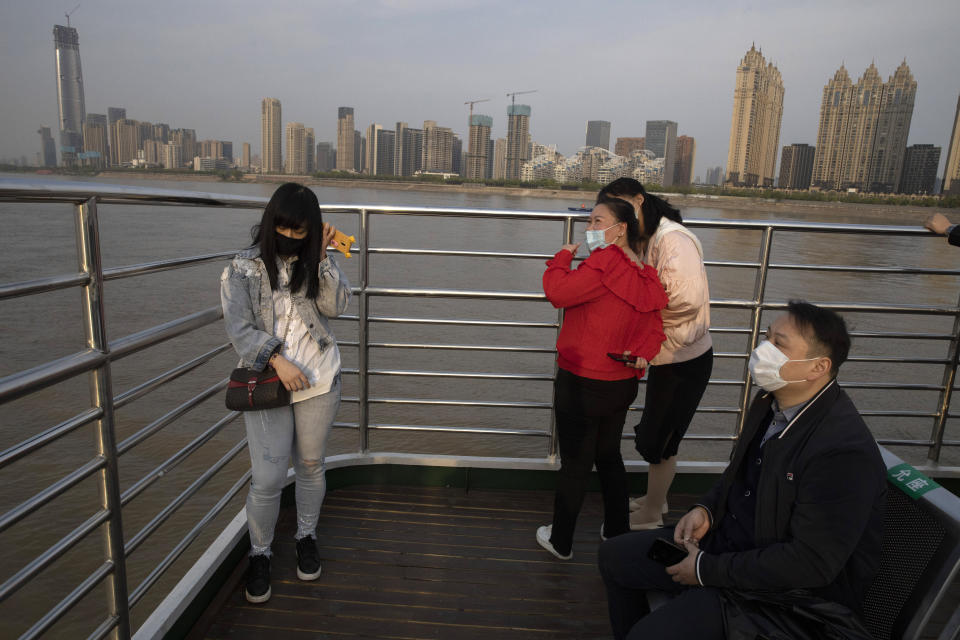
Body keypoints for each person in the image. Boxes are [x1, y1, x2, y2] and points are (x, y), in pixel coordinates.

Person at [598, 301, 886, 640]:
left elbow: (811, 563)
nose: (763, 348)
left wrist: (705, 570)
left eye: (779, 343)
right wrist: (706, 508)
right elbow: (738, 476)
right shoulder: (771, 403)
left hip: (785, 600)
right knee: (615, 557)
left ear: (817, 367)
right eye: (766, 337)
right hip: (732, 549)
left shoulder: (841, 451)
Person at [220, 182, 351, 603]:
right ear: (270, 221)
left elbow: (337, 307)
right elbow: (239, 329)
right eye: (284, 229)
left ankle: (305, 536)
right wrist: (277, 360)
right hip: (267, 383)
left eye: (301, 232)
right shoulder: (240, 269)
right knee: (268, 477)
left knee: (311, 465)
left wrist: (324, 257)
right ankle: (259, 553)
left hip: (319, 380)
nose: (291, 239)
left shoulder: (314, 261)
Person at [537, 197, 669, 560]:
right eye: (589, 221)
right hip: (621, 383)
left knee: (576, 464)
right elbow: (655, 326)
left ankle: (561, 541)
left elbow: (557, 293)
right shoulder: (641, 270)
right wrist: (639, 352)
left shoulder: (604, 265)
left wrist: (562, 258)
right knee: (609, 455)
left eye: (597, 221)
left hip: (583, 380)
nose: (589, 229)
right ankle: (616, 531)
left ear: (621, 227)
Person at [597, 178, 713, 530]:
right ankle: (654, 501)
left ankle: (651, 513)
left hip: (684, 357)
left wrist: (641, 318)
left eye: (622, 207)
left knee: (659, 440)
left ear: (639, 200)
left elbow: (686, 301)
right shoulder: (645, 239)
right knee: (656, 433)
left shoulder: (673, 240)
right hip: (666, 354)